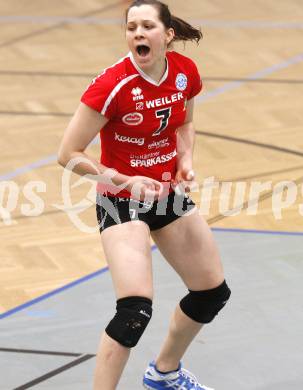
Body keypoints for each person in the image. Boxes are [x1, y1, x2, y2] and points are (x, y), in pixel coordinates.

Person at [58, 1, 231, 389]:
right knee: (133, 311)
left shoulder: (184, 73)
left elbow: (185, 122)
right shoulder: (111, 86)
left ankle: (164, 372)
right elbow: (67, 155)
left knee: (211, 293)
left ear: (167, 34)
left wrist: (186, 161)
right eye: (131, 26)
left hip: (167, 192)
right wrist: (123, 180)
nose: (137, 33)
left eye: (147, 26)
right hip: (120, 199)